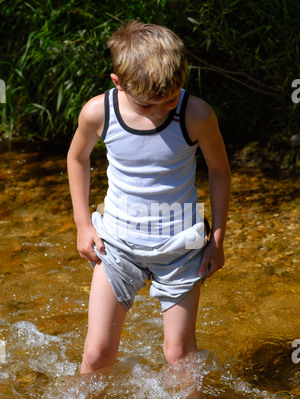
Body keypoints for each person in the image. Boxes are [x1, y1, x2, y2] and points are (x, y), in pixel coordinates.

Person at [67, 21, 231, 374]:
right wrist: (83, 224)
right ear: (118, 83)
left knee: (179, 356)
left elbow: (219, 171)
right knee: (97, 352)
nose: (160, 111)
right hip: (118, 243)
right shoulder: (99, 112)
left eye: (169, 101)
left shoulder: (195, 114)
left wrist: (216, 239)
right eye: (147, 105)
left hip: (180, 246)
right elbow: (77, 157)